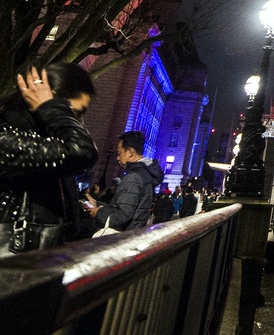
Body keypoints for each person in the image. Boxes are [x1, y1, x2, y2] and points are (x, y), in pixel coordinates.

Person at [0, 63, 99, 254]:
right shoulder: (6, 136)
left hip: (34, 264)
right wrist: (51, 107)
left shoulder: (44, 142)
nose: (79, 123)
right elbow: (81, 150)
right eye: (74, 113)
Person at [85, 131, 163, 231]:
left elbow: (121, 217)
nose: (117, 158)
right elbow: (126, 207)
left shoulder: (133, 178)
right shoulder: (144, 174)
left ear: (130, 152)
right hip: (133, 233)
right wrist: (98, 204)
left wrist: (97, 212)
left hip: (122, 236)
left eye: (119, 153)